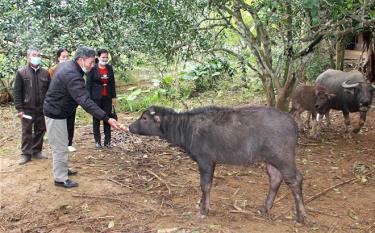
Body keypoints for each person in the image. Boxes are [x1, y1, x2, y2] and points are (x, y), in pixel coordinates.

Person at [43, 46, 125, 188]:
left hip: (64, 111)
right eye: (91, 62)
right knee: (60, 146)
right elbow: (85, 101)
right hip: (55, 113)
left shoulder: (69, 65)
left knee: (65, 142)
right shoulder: (72, 74)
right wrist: (107, 118)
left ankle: (62, 169)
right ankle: (60, 178)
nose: (92, 66)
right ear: (81, 60)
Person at [13, 47, 51, 165]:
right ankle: (26, 154)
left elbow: (50, 91)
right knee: (26, 131)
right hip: (27, 108)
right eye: (34, 55)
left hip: (42, 108)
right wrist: (19, 109)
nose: (36, 57)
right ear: (28, 57)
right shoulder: (21, 72)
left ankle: (36, 151)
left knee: (40, 130)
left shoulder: (45, 73)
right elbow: (17, 92)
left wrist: (48, 106)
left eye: (38, 55)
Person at [86, 49, 117, 149]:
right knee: (96, 118)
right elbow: (88, 84)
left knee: (107, 118)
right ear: (98, 57)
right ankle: (97, 141)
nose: (105, 59)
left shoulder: (109, 68)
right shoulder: (93, 68)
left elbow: (112, 83)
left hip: (107, 96)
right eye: (103, 57)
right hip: (96, 97)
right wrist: (88, 98)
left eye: (106, 57)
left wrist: (113, 97)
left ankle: (107, 141)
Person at [49, 48, 77, 152]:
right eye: (63, 57)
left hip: (70, 100)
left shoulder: (72, 69)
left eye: (67, 57)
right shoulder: (53, 70)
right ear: (58, 58)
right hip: (58, 102)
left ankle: (69, 143)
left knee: (70, 122)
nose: (65, 59)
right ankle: (59, 144)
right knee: (60, 124)